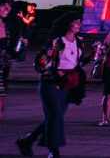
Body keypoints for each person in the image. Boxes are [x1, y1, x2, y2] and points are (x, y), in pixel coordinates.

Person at [17, 13, 91, 158]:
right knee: (55, 116)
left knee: (54, 118)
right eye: (76, 22)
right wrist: (50, 63)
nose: (79, 25)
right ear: (68, 24)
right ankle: (53, 151)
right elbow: (41, 63)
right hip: (51, 83)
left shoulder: (79, 42)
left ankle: (27, 140)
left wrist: (93, 56)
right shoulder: (57, 42)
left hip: (69, 83)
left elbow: (77, 63)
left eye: (79, 22)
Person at [0, 0, 16, 120]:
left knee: (2, 98)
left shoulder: (6, 25)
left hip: (3, 66)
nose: (7, 10)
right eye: (4, 6)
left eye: (9, 7)